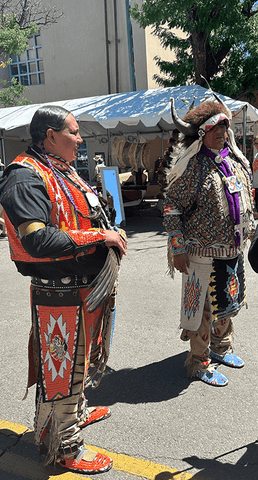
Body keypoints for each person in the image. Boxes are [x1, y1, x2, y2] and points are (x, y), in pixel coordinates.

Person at [0, 105, 127, 474]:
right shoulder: (24, 176)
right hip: (60, 296)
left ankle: (73, 415)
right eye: (74, 132)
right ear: (51, 136)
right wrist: (98, 236)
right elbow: (37, 240)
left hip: (84, 291)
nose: (80, 139)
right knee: (61, 370)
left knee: (78, 363)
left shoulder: (61, 168)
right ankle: (64, 446)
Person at [163, 96, 255, 386]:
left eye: (224, 127)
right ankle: (199, 361)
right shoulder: (192, 168)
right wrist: (178, 247)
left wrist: (250, 227)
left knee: (227, 302)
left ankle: (221, 347)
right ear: (201, 134)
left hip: (231, 250)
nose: (221, 132)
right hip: (200, 254)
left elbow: (246, 199)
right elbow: (171, 207)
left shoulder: (235, 162)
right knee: (202, 310)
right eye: (215, 128)